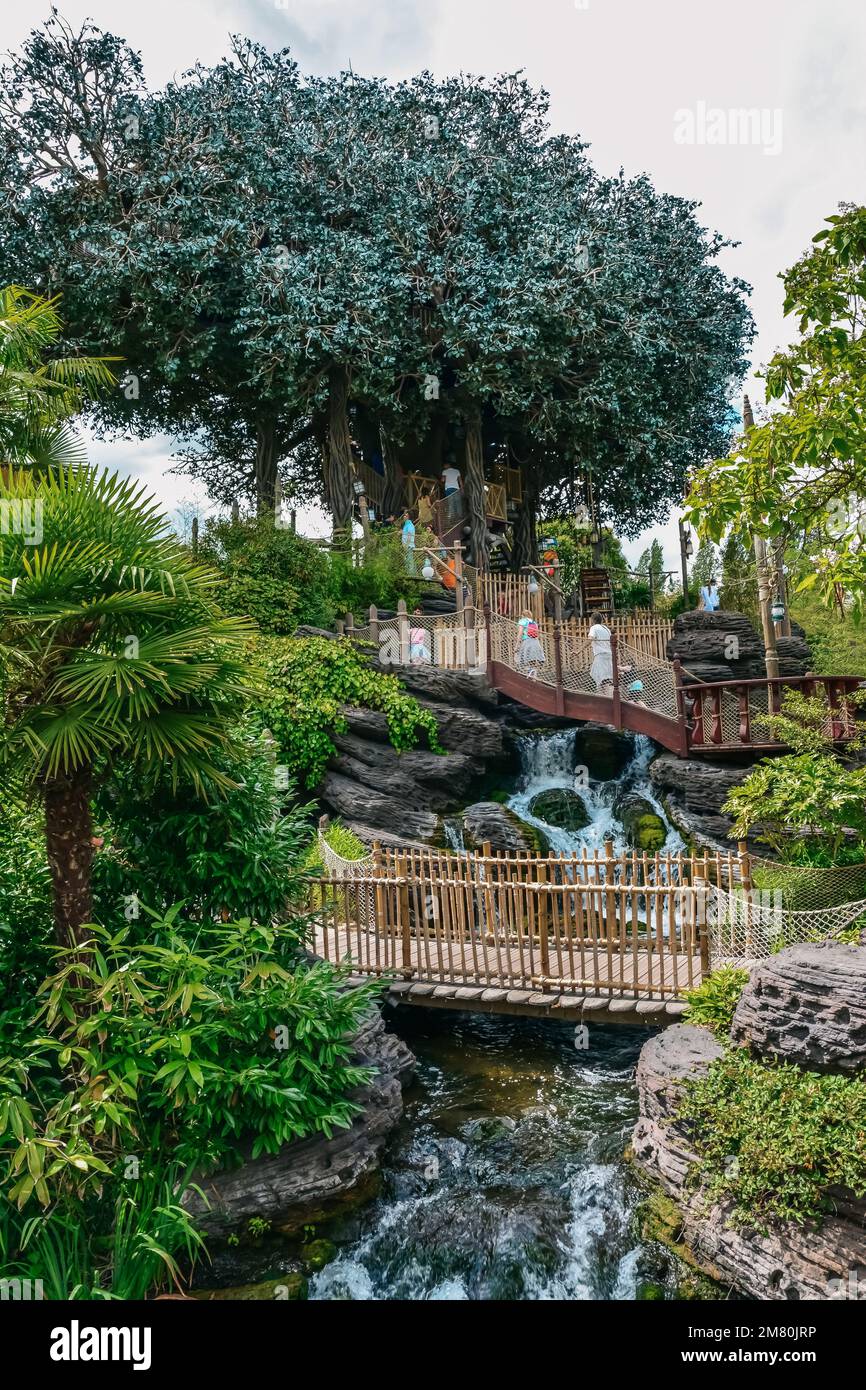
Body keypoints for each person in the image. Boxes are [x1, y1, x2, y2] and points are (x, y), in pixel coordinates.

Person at [514, 608, 545, 679]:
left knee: (522, 658)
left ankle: (528, 673)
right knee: (533, 660)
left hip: (527, 641)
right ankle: (534, 677)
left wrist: (517, 645)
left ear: (523, 615)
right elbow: (536, 634)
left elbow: (520, 633)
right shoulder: (534, 623)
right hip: (535, 642)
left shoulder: (522, 621)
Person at [588, 609, 613, 691]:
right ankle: (606, 697)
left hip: (600, 656)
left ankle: (604, 698)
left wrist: (578, 651)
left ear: (593, 620)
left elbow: (590, 639)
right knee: (605, 678)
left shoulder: (594, 628)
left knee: (599, 678)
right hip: (609, 656)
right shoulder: (607, 629)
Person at [401, 510, 416, 575]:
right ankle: (409, 575)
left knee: (409, 561)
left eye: (406, 515)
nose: (404, 516)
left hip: (408, 546)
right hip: (406, 546)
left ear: (408, 517)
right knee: (407, 561)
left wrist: (406, 545)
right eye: (404, 515)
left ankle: (411, 575)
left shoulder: (409, 524)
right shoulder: (406, 525)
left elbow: (409, 535)